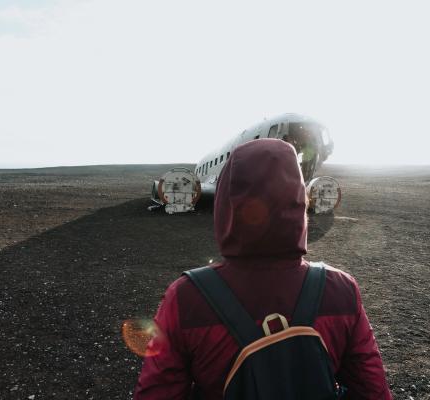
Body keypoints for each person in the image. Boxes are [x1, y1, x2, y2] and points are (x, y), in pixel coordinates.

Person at [134, 139, 392, 399]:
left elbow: (157, 392)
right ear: (298, 202)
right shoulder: (341, 289)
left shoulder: (186, 297)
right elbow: (372, 390)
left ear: (226, 205)